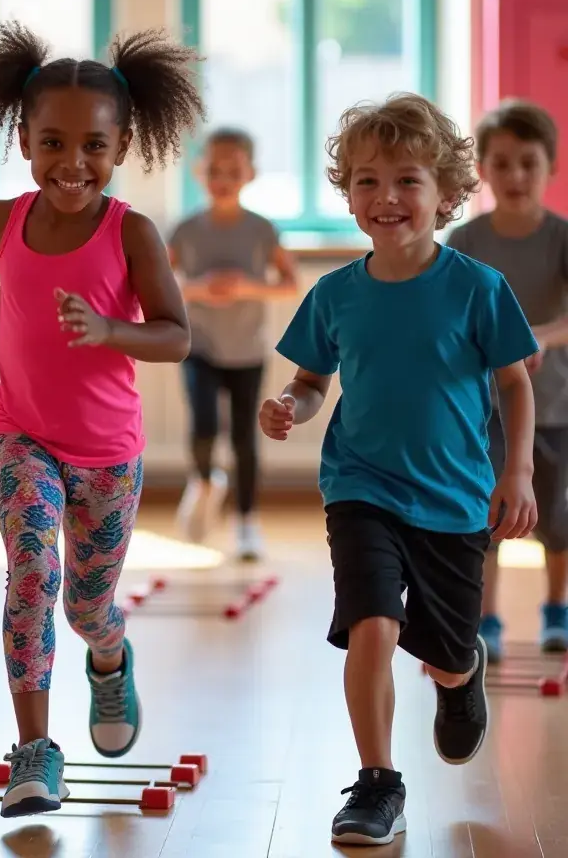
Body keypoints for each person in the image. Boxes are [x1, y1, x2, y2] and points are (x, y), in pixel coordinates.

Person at [0, 21, 201, 818]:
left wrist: (110, 331)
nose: (72, 164)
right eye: (52, 142)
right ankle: (35, 748)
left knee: (86, 603)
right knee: (32, 577)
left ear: (122, 144)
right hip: (21, 437)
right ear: (22, 138)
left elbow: (175, 335)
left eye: (93, 146)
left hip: (109, 454)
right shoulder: (3, 220)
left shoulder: (132, 232)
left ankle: (109, 656)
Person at [259, 92, 539, 847]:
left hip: (454, 500)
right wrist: (291, 401)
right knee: (372, 626)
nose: (386, 197)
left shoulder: (477, 288)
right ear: (347, 194)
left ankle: (459, 672)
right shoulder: (335, 295)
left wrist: (518, 474)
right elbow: (313, 381)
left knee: (443, 654)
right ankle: (378, 782)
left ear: (447, 193)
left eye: (407, 180)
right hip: (361, 488)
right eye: (367, 181)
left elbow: (514, 380)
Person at [446, 101, 568, 663]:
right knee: (486, 516)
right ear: (483, 172)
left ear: (549, 168)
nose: (515, 176)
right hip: (485, 410)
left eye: (528, 163)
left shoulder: (560, 239)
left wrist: (540, 337)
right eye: (501, 163)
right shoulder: (467, 243)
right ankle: (485, 619)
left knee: (558, 517)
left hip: (557, 406)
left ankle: (556, 610)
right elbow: (451, 319)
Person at [168, 127, 297, 555]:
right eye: (214, 169)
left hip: (247, 350)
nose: (222, 177)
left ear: (250, 173)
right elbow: (163, 283)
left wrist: (244, 287)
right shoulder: (185, 229)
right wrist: (200, 287)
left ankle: (246, 523)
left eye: (232, 170)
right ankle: (205, 482)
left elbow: (289, 285)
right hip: (199, 345)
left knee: (245, 437)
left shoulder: (263, 230)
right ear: (198, 171)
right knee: (204, 426)